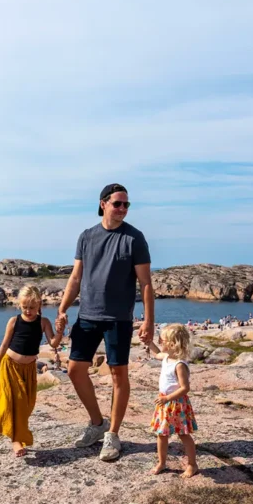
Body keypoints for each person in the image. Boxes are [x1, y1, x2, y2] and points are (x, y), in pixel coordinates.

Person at [55, 183, 154, 462]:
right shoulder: (87, 237)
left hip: (118, 319)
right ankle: (97, 423)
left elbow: (146, 283)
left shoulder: (134, 238)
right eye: (117, 204)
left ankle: (113, 434)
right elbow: (76, 277)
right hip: (87, 315)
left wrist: (148, 321)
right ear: (103, 204)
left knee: (118, 375)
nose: (122, 209)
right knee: (75, 370)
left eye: (126, 204)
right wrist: (62, 308)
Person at [0, 285, 61, 457]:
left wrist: (60, 331)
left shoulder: (43, 322)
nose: (28, 311)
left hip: (29, 369)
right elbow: (4, 345)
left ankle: (18, 436)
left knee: (26, 405)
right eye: (25, 307)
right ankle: (16, 440)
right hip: (10, 366)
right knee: (11, 403)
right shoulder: (14, 321)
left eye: (32, 307)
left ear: (39, 305)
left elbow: (53, 343)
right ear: (19, 305)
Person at [147, 324, 199, 478]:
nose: (159, 342)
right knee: (161, 434)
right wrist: (149, 343)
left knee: (183, 435)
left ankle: (192, 465)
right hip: (164, 403)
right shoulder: (166, 357)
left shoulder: (179, 364)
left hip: (176, 403)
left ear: (172, 344)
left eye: (161, 340)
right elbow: (157, 354)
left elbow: (185, 388)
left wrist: (167, 398)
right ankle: (162, 462)